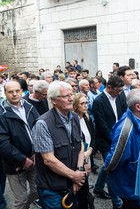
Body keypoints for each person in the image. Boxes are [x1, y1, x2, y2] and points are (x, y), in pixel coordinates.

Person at [32, 81, 86, 208]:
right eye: (66, 96)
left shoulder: (74, 117)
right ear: (54, 100)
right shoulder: (43, 123)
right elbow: (49, 160)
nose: (71, 98)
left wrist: (79, 171)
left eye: (71, 95)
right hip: (52, 189)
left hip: (72, 184)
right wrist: (74, 176)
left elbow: (80, 146)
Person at [105, 89, 140, 209]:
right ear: (138, 107)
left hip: (137, 183)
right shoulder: (126, 128)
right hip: (130, 186)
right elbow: (112, 161)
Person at [0, 81, 39, 209]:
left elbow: (39, 129)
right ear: (5, 93)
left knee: (37, 190)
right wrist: (22, 159)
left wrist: (37, 153)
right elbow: (3, 143)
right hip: (15, 164)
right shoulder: (2, 114)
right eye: (10, 92)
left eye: (17, 91)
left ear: (22, 91)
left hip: (34, 159)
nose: (15, 94)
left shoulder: (29, 107)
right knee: (21, 200)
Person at [92, 75, 124, 209]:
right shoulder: (99, 101)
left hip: (118, 138)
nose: (120, 93)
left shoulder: (119, 97)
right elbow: (102, 125)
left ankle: (98, 188)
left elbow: (123, 115)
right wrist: (115, 141)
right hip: (106, 141)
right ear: (109, 87)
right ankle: (117, 203)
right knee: (112, 171)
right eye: (118, 90)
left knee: (107, 166)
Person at [73, 93, 95, 209]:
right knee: (81, 189)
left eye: (86, 102)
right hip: (79, 161)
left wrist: (90, 150)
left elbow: (93, 137)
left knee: (85, 185)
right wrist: (84, 159)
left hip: (88, 156)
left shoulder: (87, 119)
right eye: (82, 103)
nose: (86, 105)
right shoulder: (72, 121)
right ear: (75, 106)